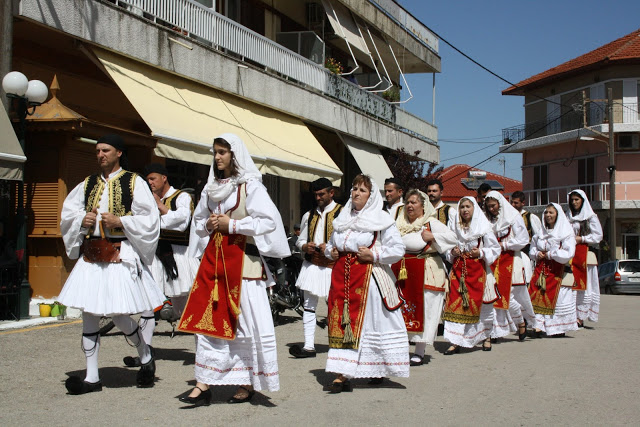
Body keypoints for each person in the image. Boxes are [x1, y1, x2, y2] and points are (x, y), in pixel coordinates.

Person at [177, 133, 289, 405]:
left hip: (243, 266)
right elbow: (199, 220)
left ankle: (245, 381)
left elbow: (268, 222)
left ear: (234, 154)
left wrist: (234, 225)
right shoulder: (210, 188)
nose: (217, 157)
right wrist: (209, 226)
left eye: (223, 152)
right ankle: (203, 383)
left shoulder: (250, 186)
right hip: (214, 264)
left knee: (244, 324)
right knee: (207, 322)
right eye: (215, 152)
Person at [58, 134, 164, 394]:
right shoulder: (87, 184)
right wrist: (82, 220)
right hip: (92, 256)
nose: (100, 155)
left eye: (105, 150)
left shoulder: (133, 181)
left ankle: (145, 354)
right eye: (97, 151)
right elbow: (68, 213)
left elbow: (150, 219)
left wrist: (122, 222)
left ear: (118, 153)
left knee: (118, 314)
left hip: (120, 254)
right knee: (90, 313)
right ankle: (92, 377)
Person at [324, 174, 408, 392]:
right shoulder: (342, 218)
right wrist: (330, 251)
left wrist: (374, 254)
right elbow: (331, 244)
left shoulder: (381, 220)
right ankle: (343, 372)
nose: (356, 193)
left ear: (371, 196)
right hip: (342, 278)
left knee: (370, 324)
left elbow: (397, 249)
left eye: (362, 190)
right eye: (354, 188)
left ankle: (373, 368)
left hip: (369, 281)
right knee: (343, 323)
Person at [122, 163, 199, 367]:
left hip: (179, 256)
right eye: (147, 180)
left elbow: (182, 222)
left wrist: (160, 208)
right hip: (156, 256)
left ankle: (204, 352)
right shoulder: (145, 199)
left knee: (186, 306)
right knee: (148, 304)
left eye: (153, 179)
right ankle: (144, 353)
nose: (150, 183)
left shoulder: (182, 197)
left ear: (164, 178)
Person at [391, 189, 456, 366]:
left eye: (414, 202)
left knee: (426, 309)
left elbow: (453, 237)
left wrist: (433, 236)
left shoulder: (430, 223)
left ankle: (419, 351)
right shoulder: (399, 223)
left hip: (427, 271)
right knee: (402, 309)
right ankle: (402, 349)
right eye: (407, 202)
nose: (410, 206)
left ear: (423, 205)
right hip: (403, 272)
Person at [289, 178, 342, 358]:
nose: (318, 197)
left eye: (322, 194)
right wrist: (305, 247)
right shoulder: (308, 215)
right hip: (312, 264)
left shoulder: (342, 213)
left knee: (335, 307)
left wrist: (334, 250)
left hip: (333, 267)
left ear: (331, 193)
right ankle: (309, 346)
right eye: (316, 194)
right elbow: (300, 240)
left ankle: (338, 344)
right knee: (309, 306)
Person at [442, 196, 501, 354]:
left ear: (474, 208)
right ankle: (455, 340)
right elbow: (447, 249)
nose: (465, 210)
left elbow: (495, 249)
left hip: (479, 271)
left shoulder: (483, 228)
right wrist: (452, 252)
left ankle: (486, 336)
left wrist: (480, 252)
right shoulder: (455, 227)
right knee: (454, 304)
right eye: (462, 207)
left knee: (483, 305)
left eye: (468, 206)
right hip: (458, 271)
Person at [484, 191, 535, 342]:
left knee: (507, 295)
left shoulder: (513, 217)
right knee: (494, 295)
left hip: (511, 259)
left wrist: (504, 244)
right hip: (494, 260)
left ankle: (520, 321)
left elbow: (523, 239)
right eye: (489, 206)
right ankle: (496, 330)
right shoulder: (487, 220)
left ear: (500, 203)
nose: (491, 209)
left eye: (493, 206)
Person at [529, 203, 578, 337]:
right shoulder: (540, 232)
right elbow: (532, 248)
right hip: (541, 270)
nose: (548, 215)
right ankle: (538, 326)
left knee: (559, 299)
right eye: (546, 213)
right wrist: (536, 253)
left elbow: (569, 252)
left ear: (558, 215)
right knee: (538, 295)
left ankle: (557, 328)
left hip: (558, 271)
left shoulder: (566, 233)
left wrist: (551, 254)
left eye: (551, 213)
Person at [566, 189, 603, 326]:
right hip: (570, 254)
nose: (574, 202)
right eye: (572, 200)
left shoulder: (590, 217)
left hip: (585, 254)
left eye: (577, 199)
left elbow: (598, 236)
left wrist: (581, 238)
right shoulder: (567, 216)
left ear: (583, 200)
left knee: (585, 286)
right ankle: (571, 313)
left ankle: (581, 315)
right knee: (570, 284)